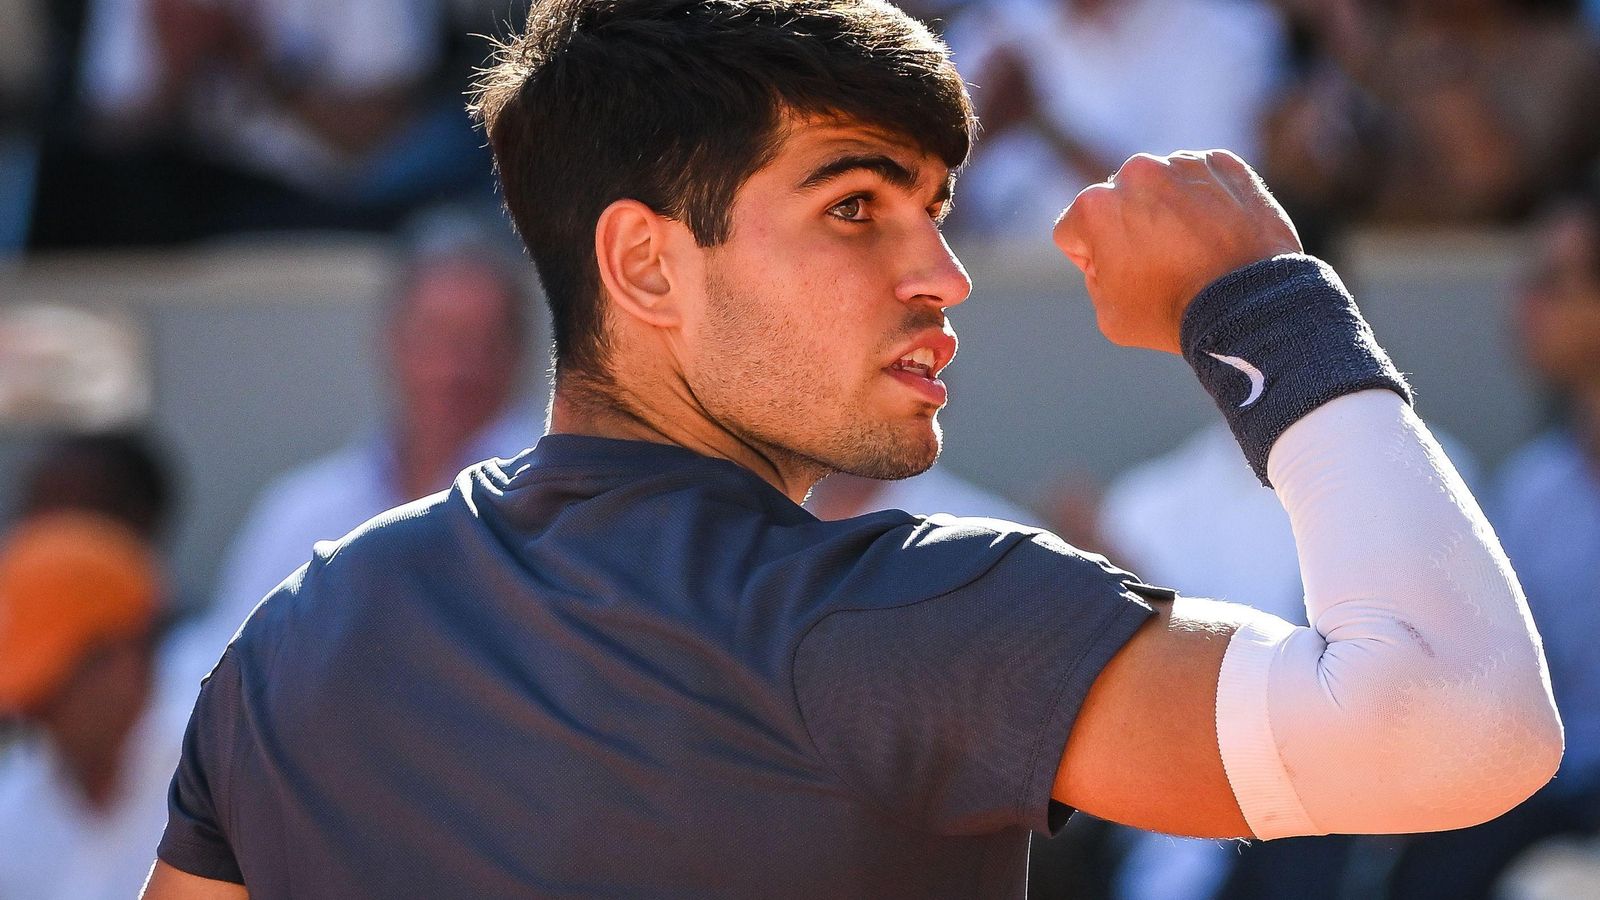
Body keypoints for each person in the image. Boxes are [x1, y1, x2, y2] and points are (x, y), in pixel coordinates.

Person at [144, 1, 1561, 896]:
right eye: (852, 209)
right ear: (643, 264)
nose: (941, 270)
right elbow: (1466, 726)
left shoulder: (295, 635)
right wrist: (1268, 304)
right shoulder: (892, 619)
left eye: (937, 206)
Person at [168, 240, 538, 676]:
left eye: (481, 342)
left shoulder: (557, 502)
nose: (454, 367)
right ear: (391, 343)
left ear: (520, 355)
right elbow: (223, 672)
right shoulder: (303, 508)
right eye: (434, 337)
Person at [0, 512, 191, 900]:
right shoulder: (13, 807)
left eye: (54, 687)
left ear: (129, 654)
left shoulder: (226, 773)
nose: (38, 716)